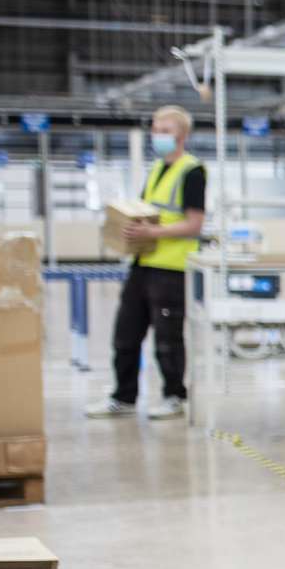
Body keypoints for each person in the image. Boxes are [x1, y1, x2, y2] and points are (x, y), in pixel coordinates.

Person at [87, 105, 205, 420]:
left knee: (167, 339)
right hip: (143, 263)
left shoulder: (193, 171)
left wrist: (154, 231)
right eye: (155, 129)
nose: (157, 136)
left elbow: (194, 224)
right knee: (125, 334)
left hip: (172, 268)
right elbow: (143, 212)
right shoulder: (155, 170)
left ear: (181, 135)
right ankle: (123, 398)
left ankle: (174, 396)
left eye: (164, 131)